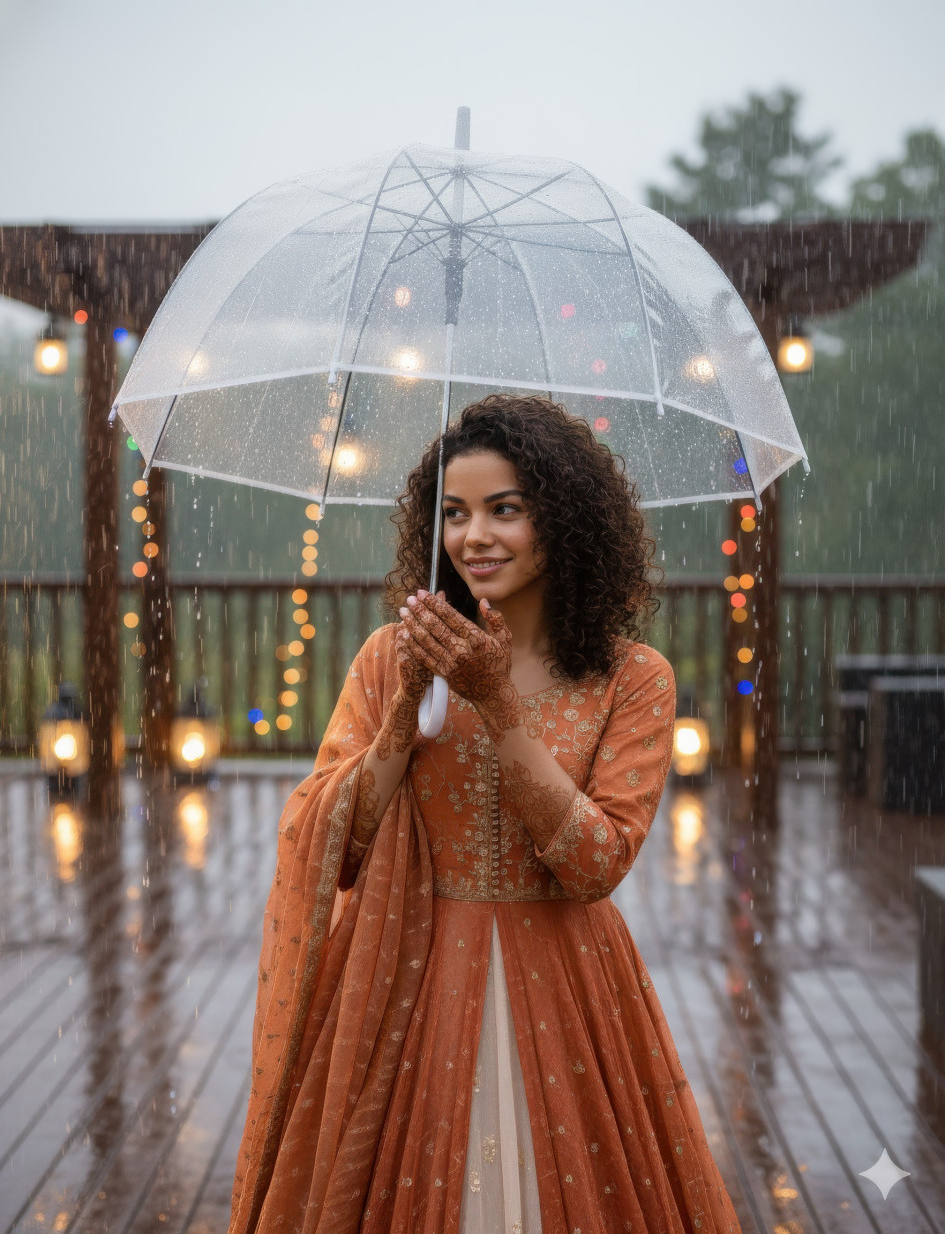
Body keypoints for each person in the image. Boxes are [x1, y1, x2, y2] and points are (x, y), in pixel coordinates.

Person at [227, 394, 742, 1234]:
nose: (475, 537)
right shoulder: (396, 659)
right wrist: (400, 722)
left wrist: (499, 704)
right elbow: (331, 847)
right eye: (456, 513)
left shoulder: (633, 678)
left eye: (506, 509)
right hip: (403, 983)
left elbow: (596, 862)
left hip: (572, 990)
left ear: (565, 519)